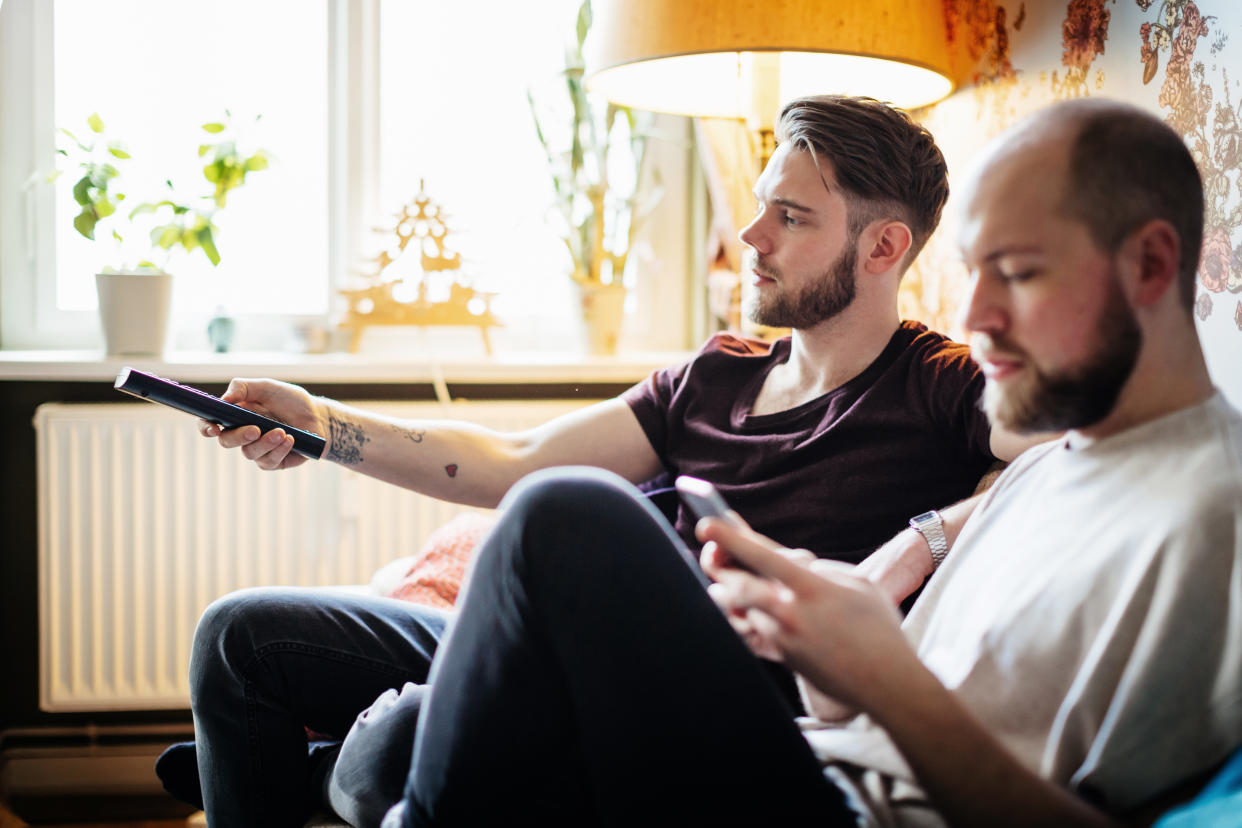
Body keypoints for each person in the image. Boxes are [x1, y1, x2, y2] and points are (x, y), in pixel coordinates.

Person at [371, 97, 1242, 827]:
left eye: (1015, 273)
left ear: (1151, 265)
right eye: (974, 271)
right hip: (819, 755)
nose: (975, 314)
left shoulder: (1212, 514)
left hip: (848, 812)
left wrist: (886, 680)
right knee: (369, 719)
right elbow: (878, 712)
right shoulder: (1060, 465)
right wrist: (830, 648)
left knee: (565, 517)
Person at [166, 96, 1033, 827]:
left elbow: (1071, 450)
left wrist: (923, 538)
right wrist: (319, 421)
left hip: (698, 690)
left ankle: (336, 763)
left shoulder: (943, 386)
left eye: (791, 217)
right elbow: (514, 461)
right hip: (565, 630)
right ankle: (332, 763)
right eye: (763, 203)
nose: (751, 233)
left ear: (883, 249)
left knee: (398, 743)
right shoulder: (717, 372)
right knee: (242, 635)